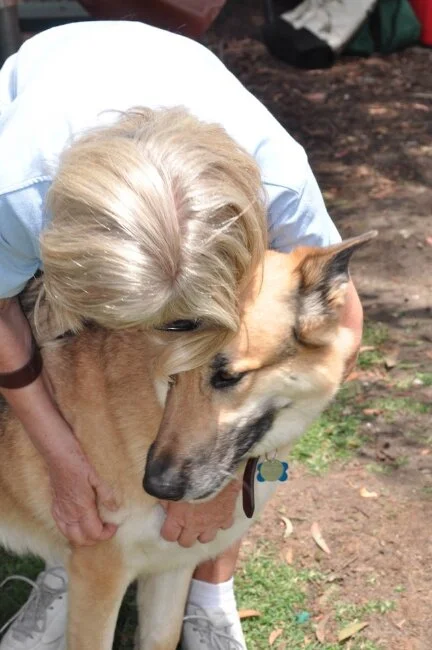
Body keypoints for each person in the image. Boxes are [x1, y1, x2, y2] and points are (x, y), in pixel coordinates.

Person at [0, 21, 363, 650]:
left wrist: (234, 469)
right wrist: (62, 458)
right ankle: (67, 564)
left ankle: (209, 592)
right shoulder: (17, 192)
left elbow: (345, 331)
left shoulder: (280, 185)